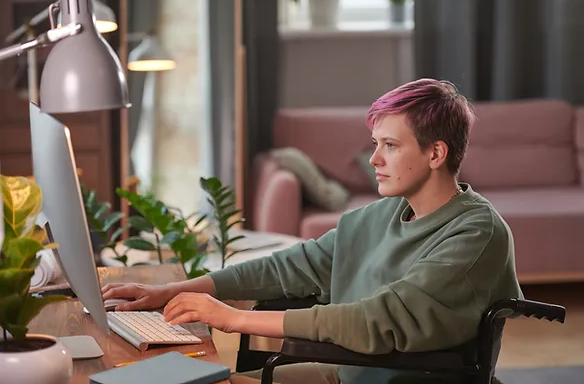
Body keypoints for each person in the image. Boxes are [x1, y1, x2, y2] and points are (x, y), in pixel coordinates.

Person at [102, 78, 524, 384]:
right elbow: (291, 267)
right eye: (375, 143)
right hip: (350, 373)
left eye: (390, 145)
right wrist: (173, 291)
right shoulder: (379, 216)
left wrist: (233, 319)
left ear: (436, 153)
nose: (374, 159)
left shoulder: (476, 234)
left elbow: (376, 321)